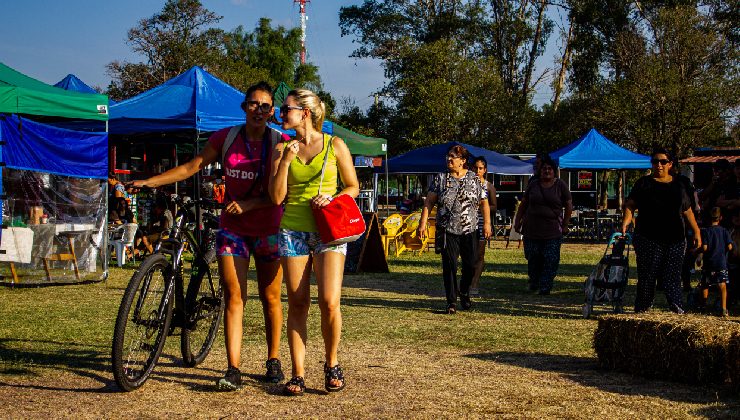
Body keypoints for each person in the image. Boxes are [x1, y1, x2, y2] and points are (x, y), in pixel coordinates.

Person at [131, 82, 288, 391]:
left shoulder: (280, 143)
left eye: (265, 106)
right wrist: (151, 181)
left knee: (270, 297)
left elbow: (280, 194)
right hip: (233, 230)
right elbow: (193, 165)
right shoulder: (226, 138)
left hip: (269, 229)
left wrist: (249, 204)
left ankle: (273, 360)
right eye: (253, 104)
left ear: (272, 113)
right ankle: (233, 368)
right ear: (244, 107)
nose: (259, 110)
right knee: (234, 296)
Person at [268, 88, 360, 396]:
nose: (281, 114)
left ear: (305, 112)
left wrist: (333, 197)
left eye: (286, 109)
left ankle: (332, 363)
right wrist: (285, 160)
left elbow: (353, 186)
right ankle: (297, 373)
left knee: (329, 301)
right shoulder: (282, 149)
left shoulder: (336, 145)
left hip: (328, 231)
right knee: (297, 302)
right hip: (292, 229)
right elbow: (276, 196)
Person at [620, 148, 701, 313]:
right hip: (647, 237)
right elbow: (630, 205)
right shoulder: (643, 183)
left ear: (670, 164)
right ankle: (643, 309)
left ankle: (677, 308)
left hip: (675, 238)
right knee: (648, 276)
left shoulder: (680, 184)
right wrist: (626, 222)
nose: (659, 165)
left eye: (663, 161)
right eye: (655, 161)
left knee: (672, 276)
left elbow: (687, 210)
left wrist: (697, 232)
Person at [417, 145, 491, 314]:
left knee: (471, 264)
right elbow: (429, 202)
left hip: (470, 229)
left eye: (453, 157)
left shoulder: (474, 179)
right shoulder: (440, 178)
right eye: (448, 156)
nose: (449, 159)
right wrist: (423, 223)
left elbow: (484, 202)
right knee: (450, 265)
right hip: (447, 229)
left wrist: (487, 223)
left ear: (463, 161)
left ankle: (464, 292)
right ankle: (451, 302)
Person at [513, 154, 572, 295]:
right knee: (533, 257)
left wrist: (565, 224)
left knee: (551, 259)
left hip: (553, 231)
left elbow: (569, 206)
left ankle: (545, 286)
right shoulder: (533, 184)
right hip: (531, 229)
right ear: (540, 170)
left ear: (554, 171)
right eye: (544, 168)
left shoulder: (560, 185)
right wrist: (517, 222)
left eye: (549, 169)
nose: (546, 171)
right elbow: (523, 205)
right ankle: (534, 281)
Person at [696, 207, 734, 317]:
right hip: (721, 262)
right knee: (722, 286)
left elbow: (704, 247)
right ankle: (723, 309)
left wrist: (697, 253)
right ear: (720, 218)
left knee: (705, 285)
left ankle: (703, 307)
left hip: (709, 263)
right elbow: (730, 246)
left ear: (709, 218)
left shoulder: (706, 231)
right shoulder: (724, 231)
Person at [470, 156, 497, 297]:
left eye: (480, 168)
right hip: (467, 223)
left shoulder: (489, 186)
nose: (477, 170)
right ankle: (467, 281)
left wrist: (483, 206)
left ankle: (475, 283)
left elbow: (494, 207)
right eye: (475, 167)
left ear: (485, 170)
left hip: (482, 223)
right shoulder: (466, 183)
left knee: (479, 255)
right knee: (468, 255)